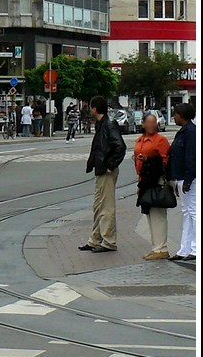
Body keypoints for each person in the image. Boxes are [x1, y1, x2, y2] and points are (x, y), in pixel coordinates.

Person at [80, 95, 127, 254]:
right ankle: (95, 239)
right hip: (101, 169)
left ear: (94, 108)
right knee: (98, 206)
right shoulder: (102, 124)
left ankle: (109, 241)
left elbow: (120, 147)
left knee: (106, 206)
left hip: (106, 170)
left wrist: (111, 165)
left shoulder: (108, 124)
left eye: (90, 107)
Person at [133, 113, 171, 261]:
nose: (151, 126)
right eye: (148, 123)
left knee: (158, 215)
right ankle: (156, 247)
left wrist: (148, 159)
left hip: (156, 181)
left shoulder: (160, 140)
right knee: (150, 213)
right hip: (145, 181)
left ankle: (161, 248)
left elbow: (165, 161)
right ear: (143, 124)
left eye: (154, 123)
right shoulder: (140, 139)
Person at [168, 102, 196, 262]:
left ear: (182, 115)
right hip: (182, 177)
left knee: (193, 211)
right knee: (187, 212)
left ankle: (195, 248)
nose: (174, 116)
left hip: (189, 178)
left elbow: (192, 157)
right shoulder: (185, 132)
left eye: (176, 113)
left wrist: (188, 180)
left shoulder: (190, 132)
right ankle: (185, 248)